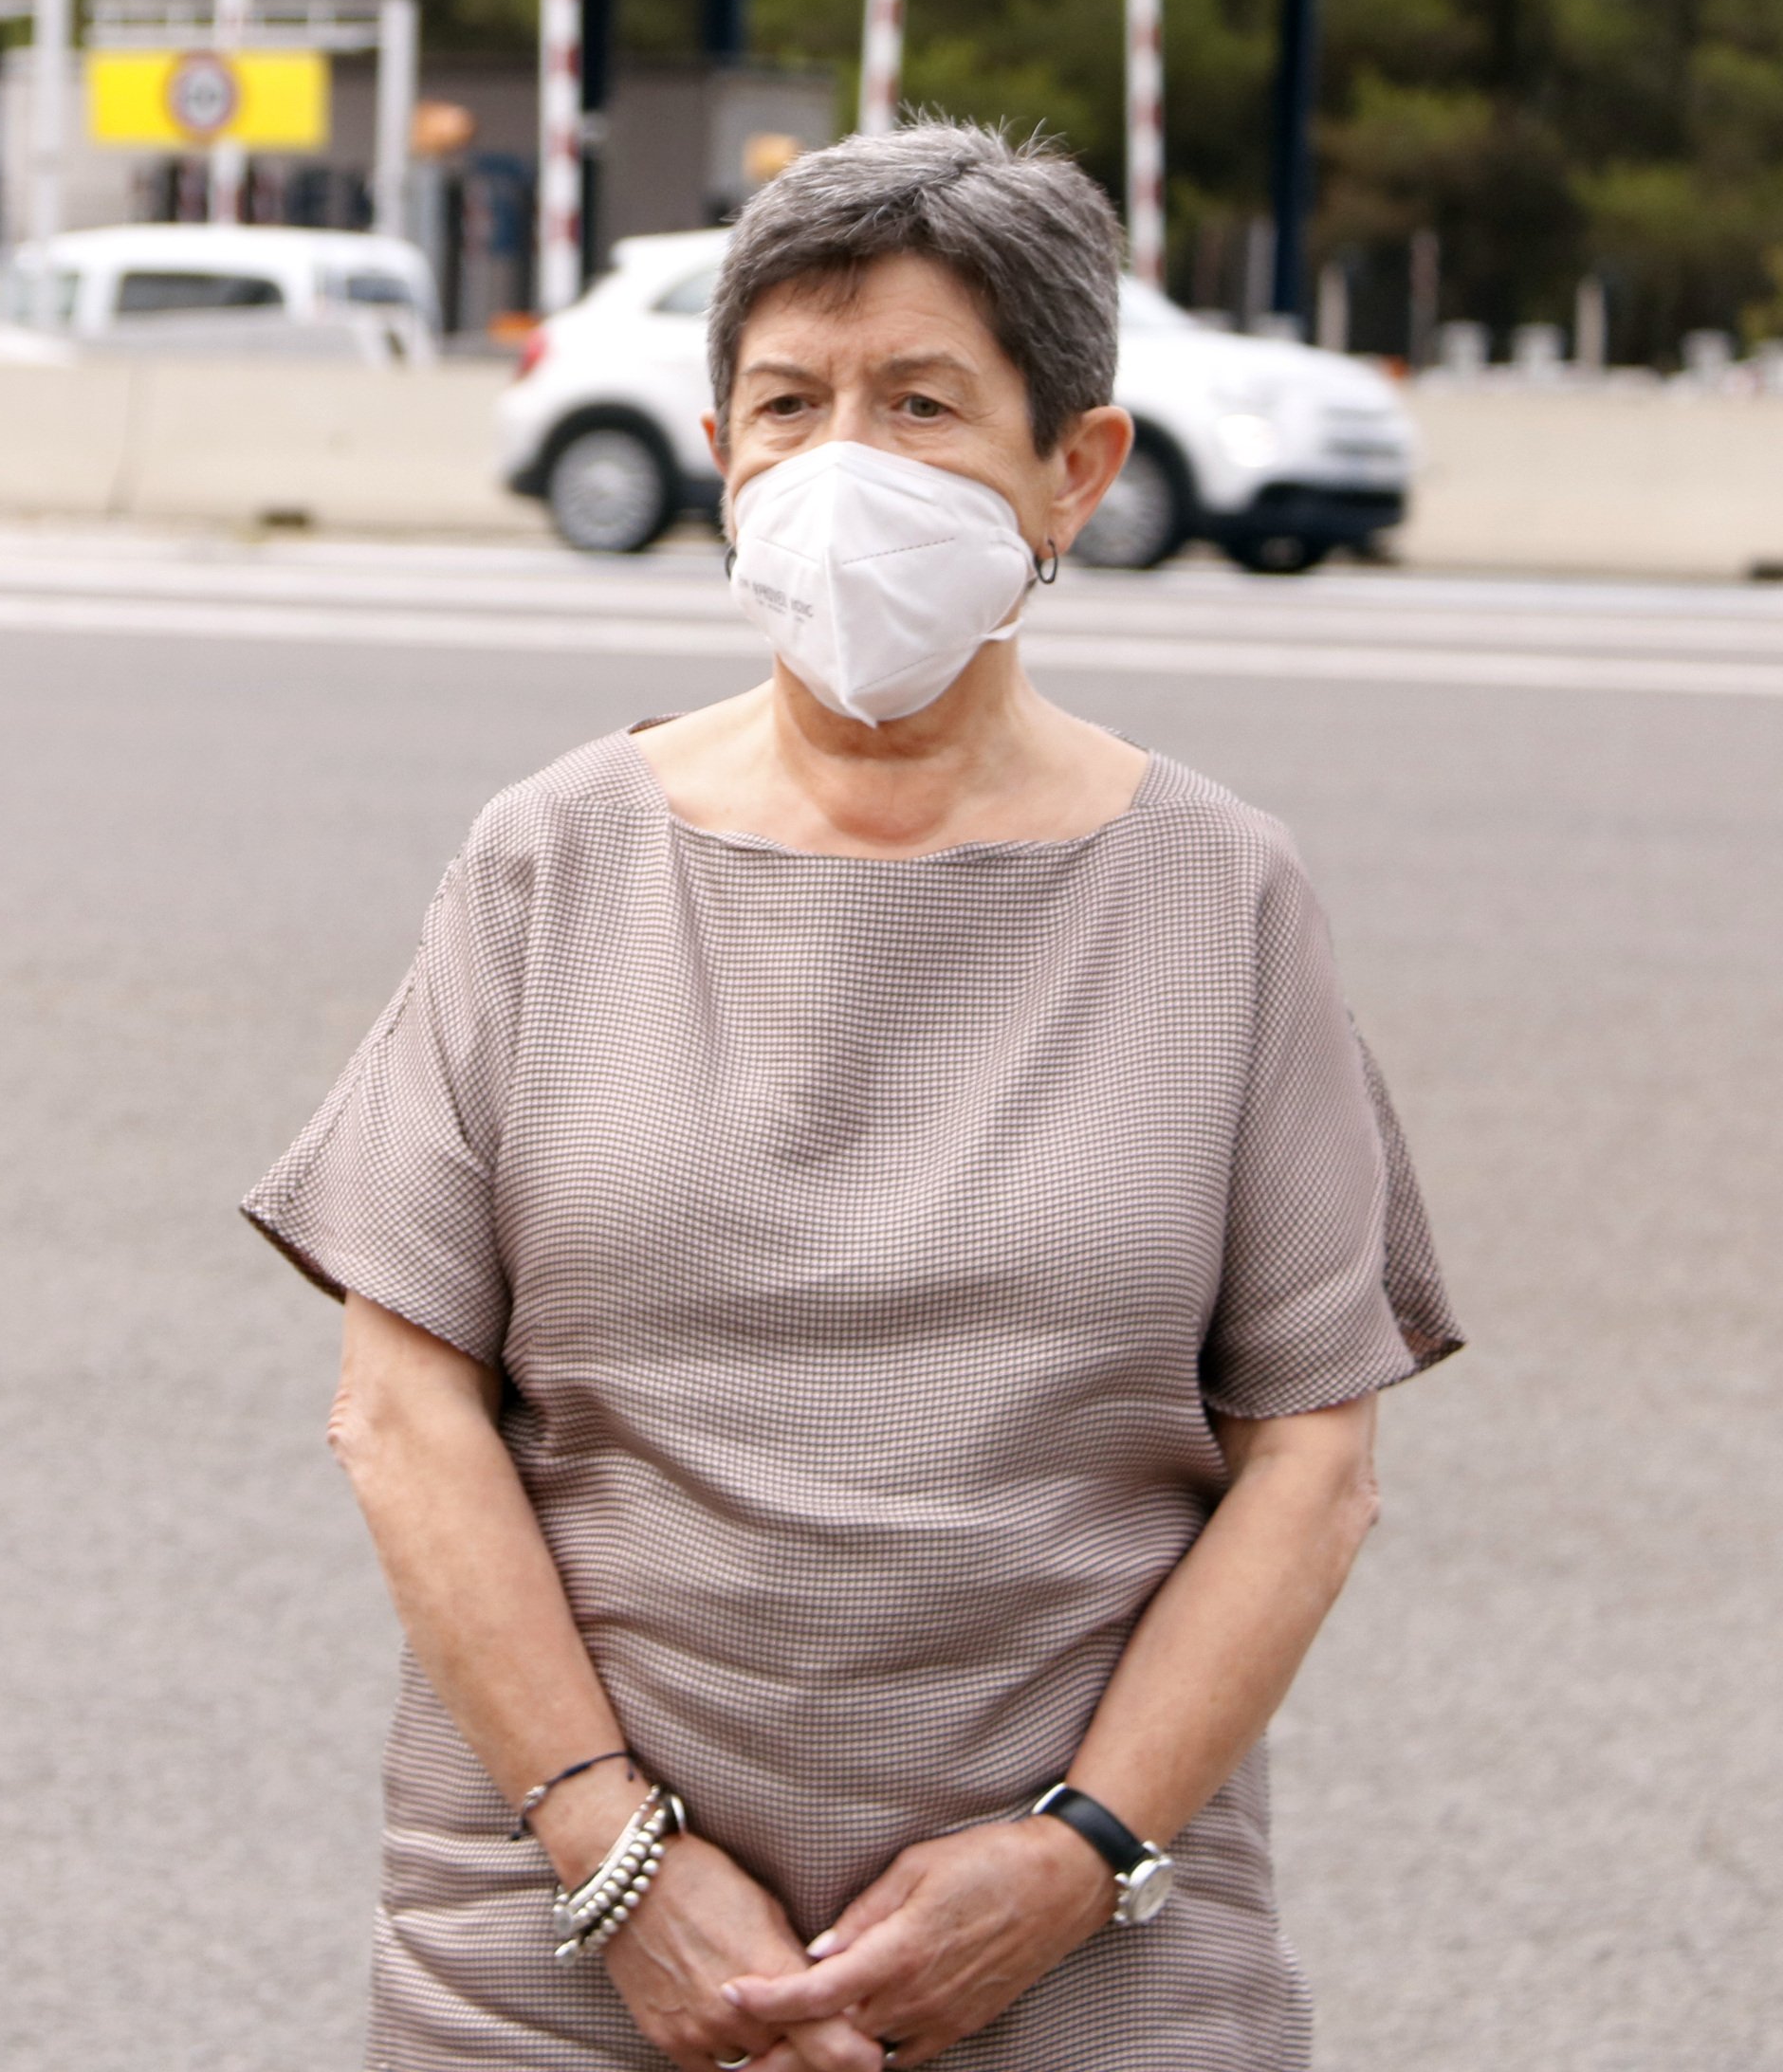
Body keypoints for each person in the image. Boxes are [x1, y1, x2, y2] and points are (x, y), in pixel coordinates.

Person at [246, 121, 1457, 2072]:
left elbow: (1312, 1463)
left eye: (920, 402)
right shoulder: (549, 860)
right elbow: (401, 1409)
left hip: (1096, 1960)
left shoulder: (1224, 893)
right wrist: (624, 1864)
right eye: (788, 405)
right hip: (561, 1957)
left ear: (1076, 469)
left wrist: (1072, 1859)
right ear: (720, 452)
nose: (841, 469)